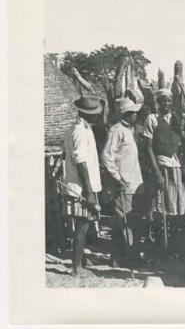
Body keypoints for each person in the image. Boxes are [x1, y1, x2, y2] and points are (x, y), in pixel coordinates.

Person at [61, 94, 103, 277]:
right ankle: (77, 267)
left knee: (83, 224)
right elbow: (80, 161)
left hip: (82, 185)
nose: (97, 116)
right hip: (81, 187)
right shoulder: (79, 131)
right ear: (88, 114)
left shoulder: (78, 128)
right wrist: (89, 190)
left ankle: (81, 260)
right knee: (82, 225)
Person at [101, 97, 144, 268]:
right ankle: (126, 257)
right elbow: (106, 156)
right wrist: (118, 178)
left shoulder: (131, 131)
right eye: (133, 113)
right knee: (123, 221)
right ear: (127, 114)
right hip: (123, 183)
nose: (136, 116)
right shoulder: (115, 131)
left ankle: (118, 256)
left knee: (127, 220)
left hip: (134, 181)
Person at [143, 88, 185, 253]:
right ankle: (158, 244)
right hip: (162, 165)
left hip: (175, 166)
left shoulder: (175, 118)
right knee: (160, 207)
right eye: (162, 101)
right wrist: (157, 173)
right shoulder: (152, 119)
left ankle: (171, 246)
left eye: (168, 100)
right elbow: (148, 148)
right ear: (158, 102)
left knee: (174, 206)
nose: (166, 104)